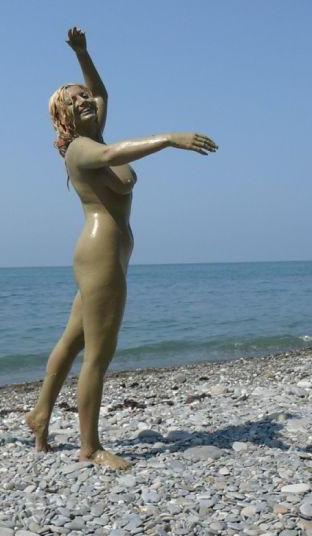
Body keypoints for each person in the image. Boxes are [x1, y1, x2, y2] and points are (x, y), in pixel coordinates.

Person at [26, 28, 217, 469]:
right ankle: (90, 447)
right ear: (63, 116)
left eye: (84, 96)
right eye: (73, 100)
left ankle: (40, 414)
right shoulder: (81, 149)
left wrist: (83, 54)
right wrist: (168, 138)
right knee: (98, 354)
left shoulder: (94, 134)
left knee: (74, 339)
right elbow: (113, 156)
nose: (84, 100)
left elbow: (102, 92)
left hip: (109, 254)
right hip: (100, 255)